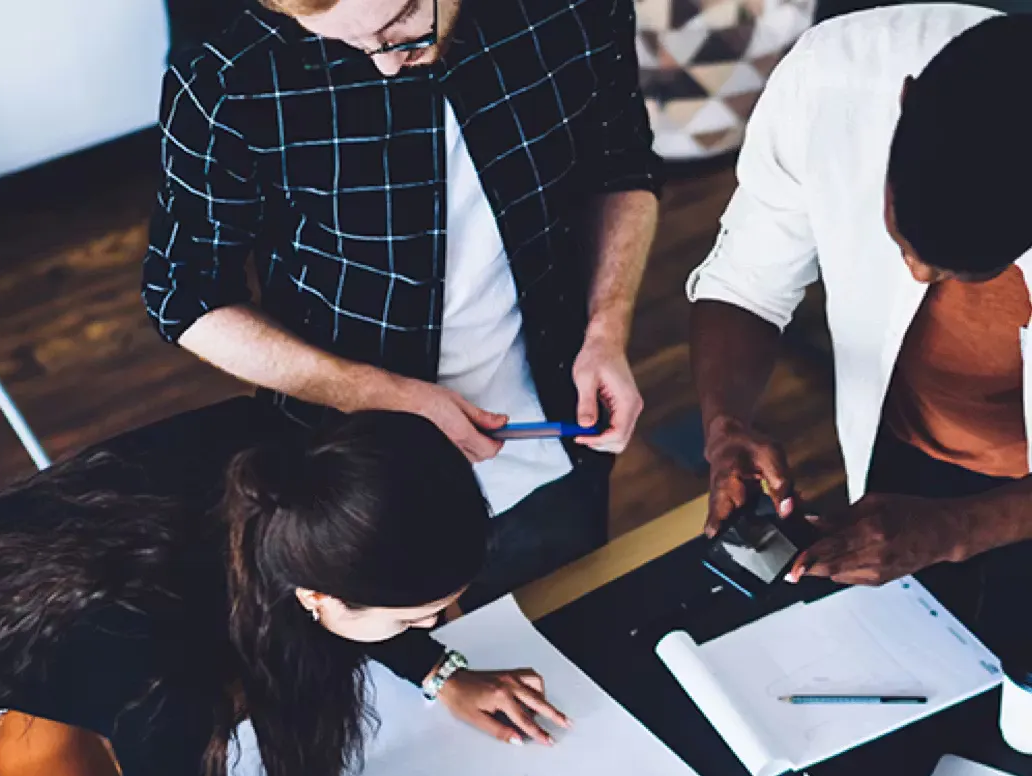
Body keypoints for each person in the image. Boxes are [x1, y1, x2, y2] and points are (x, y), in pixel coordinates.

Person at [0, 397, 565, 776]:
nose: (431, 625)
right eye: (410, 620)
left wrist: (437, 672)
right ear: (316, 595)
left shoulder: (294, 460)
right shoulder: (164, 682)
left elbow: (349, 568)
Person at [143, 0, 665, 610]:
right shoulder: (226, 78)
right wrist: (371, 392)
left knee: (563, 638)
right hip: (352, 478)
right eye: (347, 43)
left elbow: (619, 163)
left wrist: (607, 326)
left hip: (549, 438)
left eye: (404, 19)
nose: (387, 64)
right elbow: (186, 294)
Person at [687, 6, 1032, 640]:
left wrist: (961, 530)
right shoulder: (835, 78)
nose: (919, 275)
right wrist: (723, 423)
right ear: (907, 102)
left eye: (967, 267)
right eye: (903, 239)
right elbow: (744, 283)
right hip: (901, 452)